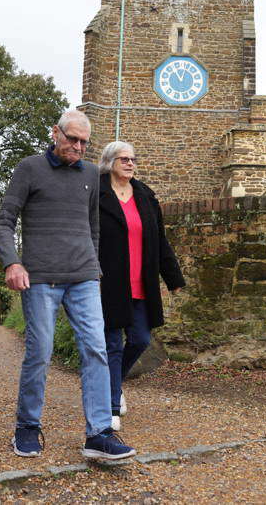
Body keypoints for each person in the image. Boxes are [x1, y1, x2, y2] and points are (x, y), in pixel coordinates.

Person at [0, 109, 135, 461]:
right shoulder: (29, 169)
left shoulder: (90, 173)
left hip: (84, 277)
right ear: (55, 132)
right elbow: (5, 221)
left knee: (96, 351)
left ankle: (99, 434)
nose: (77, 146)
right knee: (40, 353)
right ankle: (27, 426)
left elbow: (93, 227)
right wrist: (12, 262)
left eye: (84, 142)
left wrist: (96, 266)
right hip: (40, 278)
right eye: (71, 138)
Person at [97, 141, 186, 431]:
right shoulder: (96, 193)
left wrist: (173, 279)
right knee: (111, 345)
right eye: (123, 159)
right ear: (110, 162)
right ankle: (110, 406)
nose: (130, 163)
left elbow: (160, 241)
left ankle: (114, 383)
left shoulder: (145, 196)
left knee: (140, 339)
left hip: (140, 283)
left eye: (133, 159)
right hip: (107, 283)